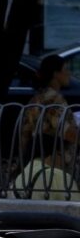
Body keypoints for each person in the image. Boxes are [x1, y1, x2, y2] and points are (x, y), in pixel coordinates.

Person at [17, 54, 79, 192]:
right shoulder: (53, 99)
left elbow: (25, 134)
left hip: (35, 161)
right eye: (66, 70)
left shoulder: (36, 98)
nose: (69, 74)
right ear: (56, 74)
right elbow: (66, 131)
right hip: (55, 161)